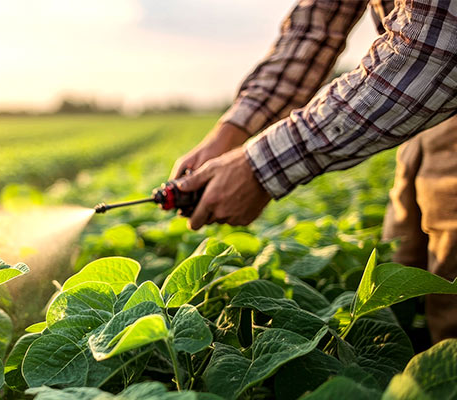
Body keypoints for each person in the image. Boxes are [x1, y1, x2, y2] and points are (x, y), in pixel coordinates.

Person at [171, 0, 457, 343]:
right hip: (427, 109)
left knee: (449, 299)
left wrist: (259, 167)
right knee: (399, 277)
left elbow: (430, 48)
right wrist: (229, 132)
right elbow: (316, 25)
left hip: (434, 85)